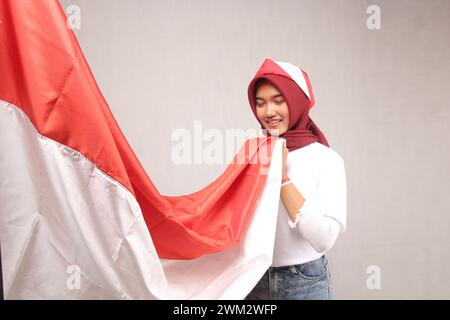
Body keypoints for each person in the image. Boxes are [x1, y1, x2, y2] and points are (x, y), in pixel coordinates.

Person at [244, 58, 347, 300]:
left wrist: (281, 179)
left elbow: (323, 239)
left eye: (279, 101)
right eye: (260, 103)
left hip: (304, 282)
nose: (268, 112)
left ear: (297, 101)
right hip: (252, 279)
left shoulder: (327, 160)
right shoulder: (253, 154)